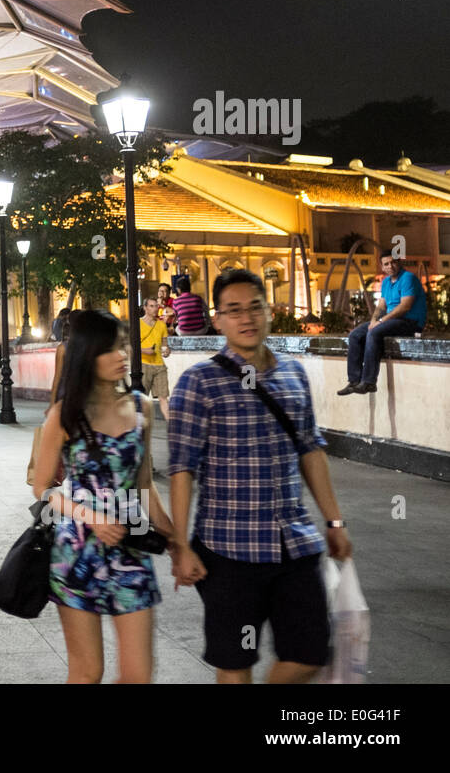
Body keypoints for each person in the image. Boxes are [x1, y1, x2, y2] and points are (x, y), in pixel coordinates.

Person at [169, 268, 351, 684]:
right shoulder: (199, 383)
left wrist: (334, 521)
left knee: (310, 653)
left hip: (294, 544)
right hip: (228, 548)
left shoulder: (293, 374)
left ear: (269, 312)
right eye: (233, 311)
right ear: (217, 320)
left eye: (255, 307)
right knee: (235, 664)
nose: (246, 318)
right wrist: (181, 546)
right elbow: (182, 470)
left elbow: (310, 449)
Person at [31, 309, 179, 684]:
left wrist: (176, 541)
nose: (122, 355)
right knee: (86, 672)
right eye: (109, 349)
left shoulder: (142, 407)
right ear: (87, 356)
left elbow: (144, 484)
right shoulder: (65, 415)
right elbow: (43, 489)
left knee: (138, 675)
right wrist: (90, 516)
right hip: (77, 552)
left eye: (123, 345)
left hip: (131, 550)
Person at [338, 249, 427, 396]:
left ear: (399, 262)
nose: (390, 266)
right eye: (386, 264)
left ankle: (369, 382)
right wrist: (374, 320)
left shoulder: (408, 278)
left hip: (411, 321)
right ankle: (354, 381)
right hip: (391, 320)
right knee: (355, 335)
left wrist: (380, 321)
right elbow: (381, 306)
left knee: (374, 332)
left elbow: (405, 306)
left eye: (393, 262)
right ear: (382, 266)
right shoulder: (386, 282)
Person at [138, 296, 171, 420]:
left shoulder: (161, 325)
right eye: (151, 306)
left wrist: (167, 350)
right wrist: (145, 351)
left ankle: (171, 427)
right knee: (143, 399)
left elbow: (164, 344)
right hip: (144, 364)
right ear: (145, 308)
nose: (155, 308)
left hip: (159, 365)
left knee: (164, 398)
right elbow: (131, 346)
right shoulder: (138, 323)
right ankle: (140, 428)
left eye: (156, 306)